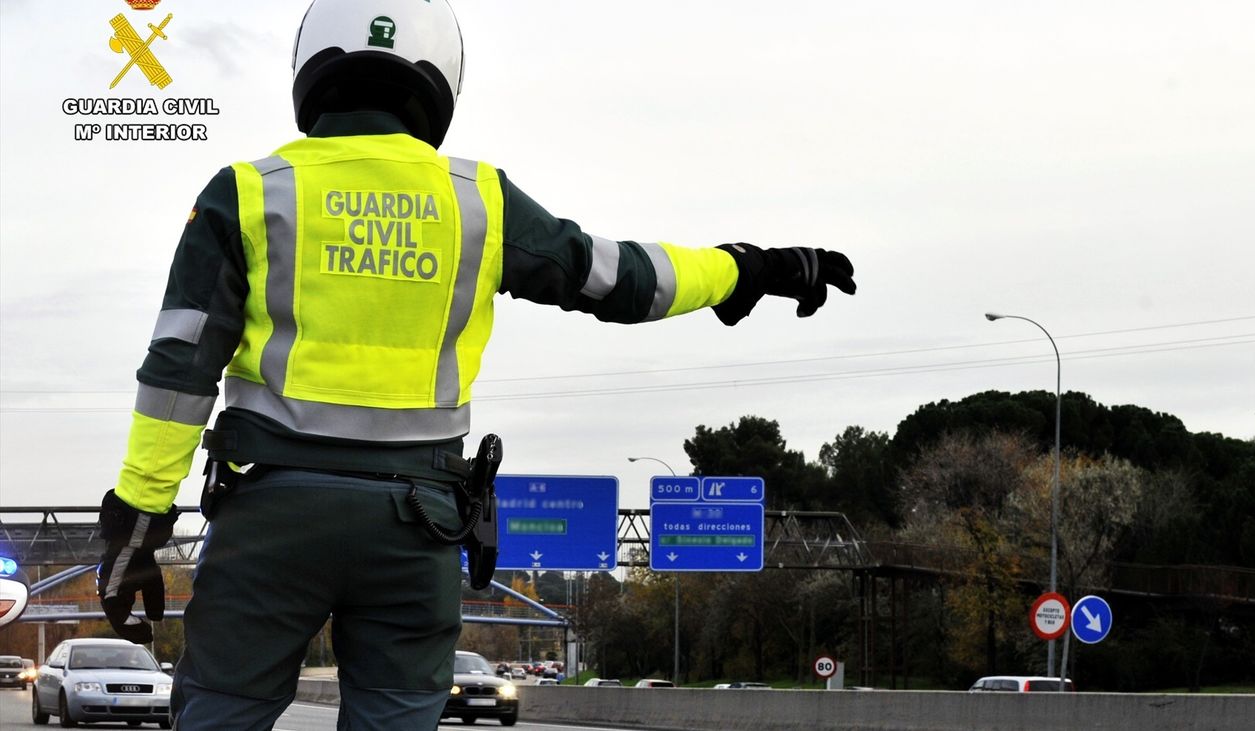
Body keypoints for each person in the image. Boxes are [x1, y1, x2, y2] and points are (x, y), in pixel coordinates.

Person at [94, 1, 856, 728]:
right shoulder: (479, 202)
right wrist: (747, 269)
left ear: (312, 67)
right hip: (414, 528)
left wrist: (136, 527)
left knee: (220, 712)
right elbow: (620, 277)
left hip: (269, 520)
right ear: (439, 77)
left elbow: (177, 372)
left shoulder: (250, 194)